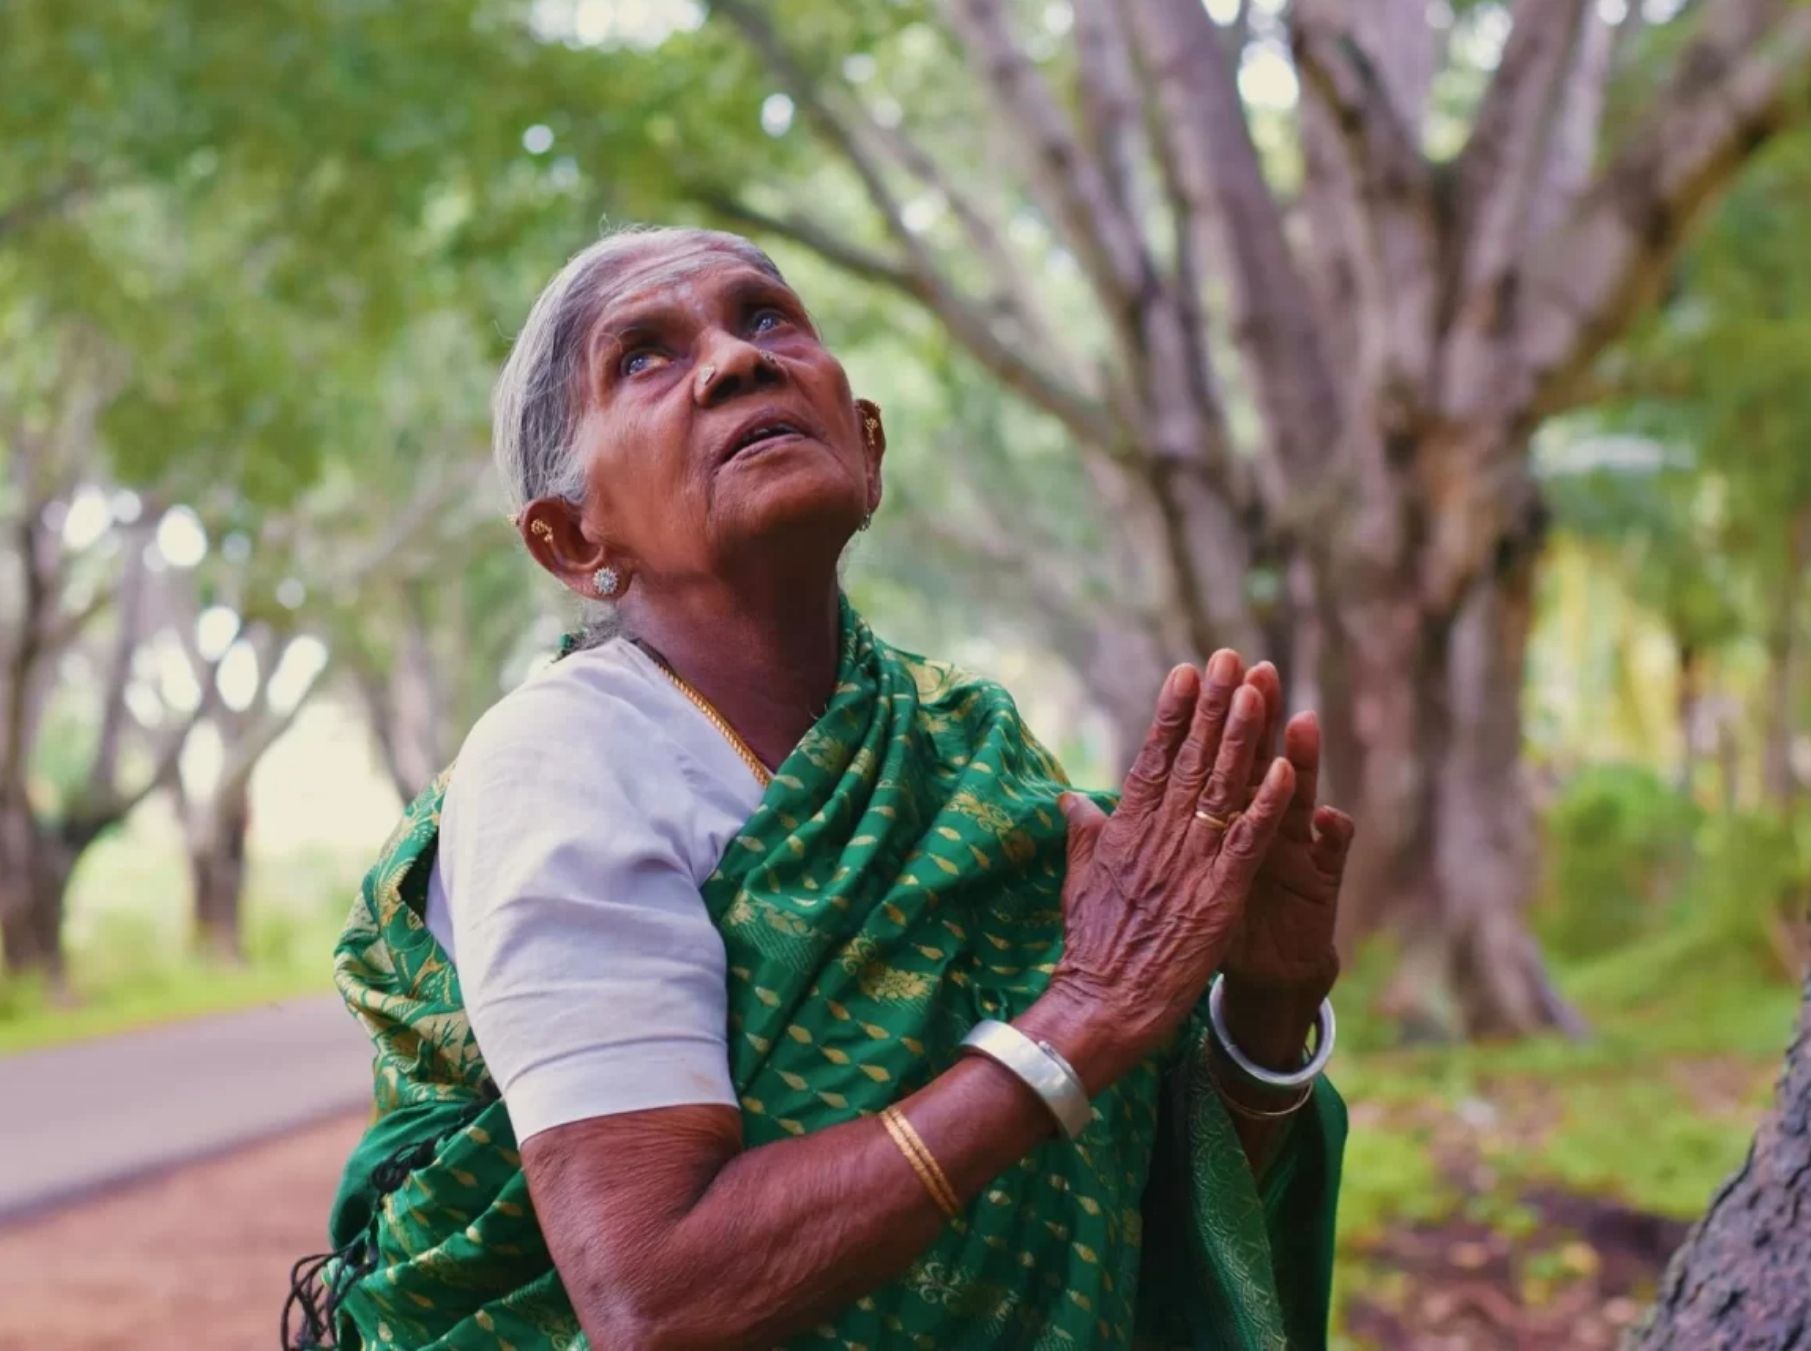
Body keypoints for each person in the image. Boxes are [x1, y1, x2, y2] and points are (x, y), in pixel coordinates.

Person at [288, 227, 1353, 1351]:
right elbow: (657, 1292)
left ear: (868, 444)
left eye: (765, 318)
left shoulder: (975, 762)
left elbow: (1128, 1195)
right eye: (642, 356)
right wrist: (1083, 1015)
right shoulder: (564, 759)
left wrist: (1265, 1009)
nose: (736, 361)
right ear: (568, 538)